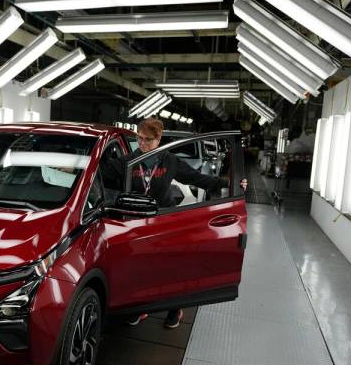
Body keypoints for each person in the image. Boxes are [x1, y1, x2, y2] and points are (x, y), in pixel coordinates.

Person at [102, 117, 247, 329]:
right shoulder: (128, 161)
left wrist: (230, 183)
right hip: (136, 222)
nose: (142, 144)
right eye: (140, 139)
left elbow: (196, 178)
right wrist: (72, 167)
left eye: (147, 140)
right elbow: (101, 172)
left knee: (167, 266)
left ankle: (174, 309)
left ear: (158, 138)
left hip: (163, 219)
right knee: (139, 266)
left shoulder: (169, 161)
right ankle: (139, 307)